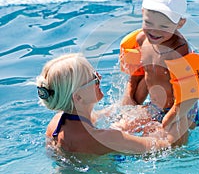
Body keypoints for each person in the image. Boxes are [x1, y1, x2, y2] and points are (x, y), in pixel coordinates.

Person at [120, 0, 199, 138]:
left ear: (180, 23)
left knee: (168, 146)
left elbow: (189, 97)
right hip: (155, 107)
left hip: (181, 112)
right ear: (142, 13)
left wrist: (166, 123)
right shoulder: (142, 40)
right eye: (148, 23)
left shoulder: (178, 52)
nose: (154, 31)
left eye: (163, 26)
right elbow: (142, 76)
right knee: (119, 128)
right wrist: (130, 109)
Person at [36, 53, 173, 155]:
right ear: (78, 97)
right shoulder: (105, 138)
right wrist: (183, 102)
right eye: (94, 78)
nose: (99, 78)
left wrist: (136, 78)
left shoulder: (57, 122)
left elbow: (114, 113)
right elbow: (167, 146)